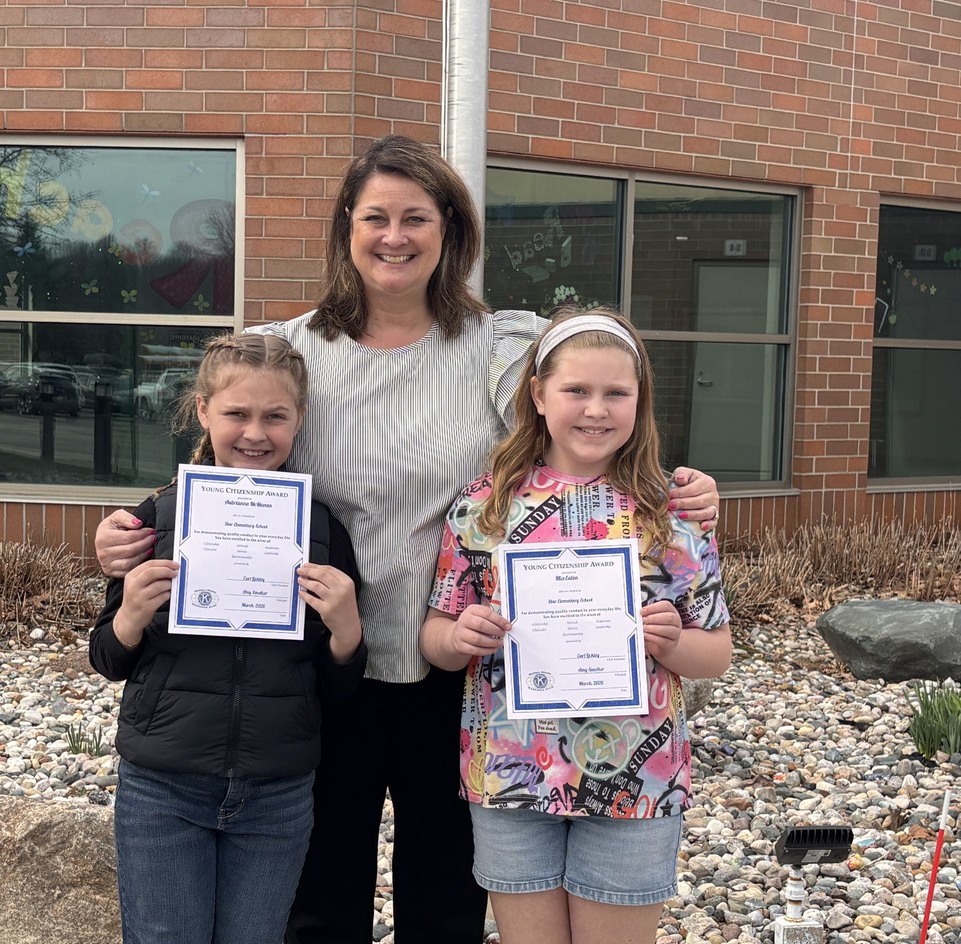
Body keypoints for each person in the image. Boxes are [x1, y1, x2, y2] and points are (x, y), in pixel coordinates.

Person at [94, 135, 722, 944]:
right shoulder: (295, 350)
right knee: (322, 894)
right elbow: (232, 464)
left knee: (445, 895)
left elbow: (587, 414)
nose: (396, 236)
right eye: (376, 217)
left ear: (450, 230)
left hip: (459, 668)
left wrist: (679, 489)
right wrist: (131, 528)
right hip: (324, 668)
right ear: (346, 229)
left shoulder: (499, 349)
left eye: (416, 218)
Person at [420, 307, 732, 944]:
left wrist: (673, 643)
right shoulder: (485, 507)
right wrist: (459, 637)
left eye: (616, 392)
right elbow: (438, 635)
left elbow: (716, 652)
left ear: (639, 400)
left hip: (635, 781)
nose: (596, 409)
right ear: (537, 395)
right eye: (576, 391)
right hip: (511, 774)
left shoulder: (672, 514)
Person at [89, 332, 366, 944]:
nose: (255, 433)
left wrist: (347, 629)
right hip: (163, 782)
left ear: (300, 420)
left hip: (279, 790)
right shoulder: (154, 519)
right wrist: (131, 612)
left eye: (276, 417)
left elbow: (338, 687)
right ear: (203, 411)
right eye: (237, 414)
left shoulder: (322, 529)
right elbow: (107, 657)